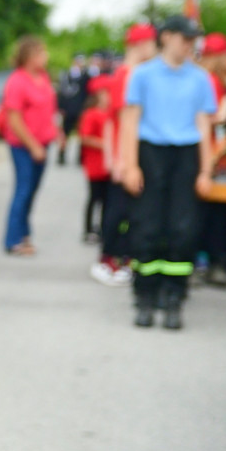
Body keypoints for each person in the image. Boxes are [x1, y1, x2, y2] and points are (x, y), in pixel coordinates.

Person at [121, 15, 217, 329]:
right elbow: (130, 121)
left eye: (192, 39)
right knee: (147, 226)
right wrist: (130, 164)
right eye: (184, 38)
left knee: (183, 228)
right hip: (151, 153)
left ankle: (174, 297)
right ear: (167, 37)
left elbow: (204, 126)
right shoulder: (143, 75)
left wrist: (205, 170)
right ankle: (145, 297)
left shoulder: (200, 79)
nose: (189, 44)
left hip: (186, 157)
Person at [91, 23, 158, 286]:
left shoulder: (139, 74)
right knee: (118, 210)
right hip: (127, 155)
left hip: (136, 154)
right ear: (141, 44)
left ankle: (124, 257)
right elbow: (116, 121)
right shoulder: (126, 75)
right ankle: (108, 258)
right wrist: (117, 159)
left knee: (130, 211)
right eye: (152, 43)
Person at [0, 36, 58, 256]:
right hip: (24, 146)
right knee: (22, 190)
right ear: (30, 55)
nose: (46, 57)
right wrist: (33, 145)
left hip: (43, 143)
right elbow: (14, 119)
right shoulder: (17, 81)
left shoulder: (43, 77)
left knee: (32, 191)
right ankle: (13, 239)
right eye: (42, 52)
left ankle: (24, 235)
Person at [195, 32, 226, 286]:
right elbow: (212, 119)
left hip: (209, 154)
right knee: (214, 213)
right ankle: (211, 262)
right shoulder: (211, 82)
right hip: (213, 156)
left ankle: (206, 259)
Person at [79, 77, 112, 245]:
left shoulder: (110, 113)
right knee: (94, 198)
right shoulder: (91, 114)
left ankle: (103, 228)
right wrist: (104, 144)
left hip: (108, 166)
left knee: (107, 199)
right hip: (94, 164)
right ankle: (88, 229)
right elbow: (85, 137)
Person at [56, 52, 88, 165]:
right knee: (65, 134)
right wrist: (61, 108)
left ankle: (81, 156)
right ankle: (61, 154)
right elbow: (61, 93)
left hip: (80, 109)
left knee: (82, 134)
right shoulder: (66, 75)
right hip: (68, 110)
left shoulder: (86, 76)